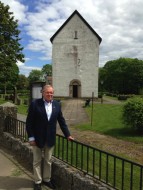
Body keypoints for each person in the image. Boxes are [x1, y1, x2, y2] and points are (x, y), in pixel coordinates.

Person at [26, 85, 74, 190]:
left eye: (51, 93)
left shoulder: (57, 104)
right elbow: (29, 123)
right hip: (37, 139)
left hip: (50, 139)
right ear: (42, 92)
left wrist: (68, 134)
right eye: (47, 92)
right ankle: (37, 182)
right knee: (37, 161)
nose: (50, 94)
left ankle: (47, 180)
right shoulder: (35, 104)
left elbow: (61, 121)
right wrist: (31, 138)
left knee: (48, 161)